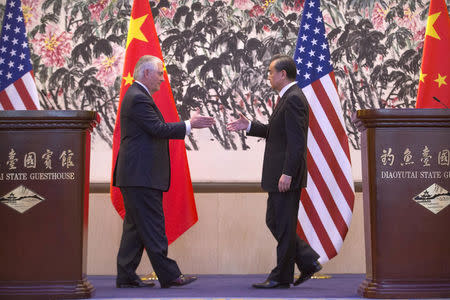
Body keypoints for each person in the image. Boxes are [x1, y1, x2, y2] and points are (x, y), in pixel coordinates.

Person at [113, 55, 214, 288]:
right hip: (140, 176)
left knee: (135, 228)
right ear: (146, 74)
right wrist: (190, 125)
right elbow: (157, 129)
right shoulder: (138, 97)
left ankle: (126, 275)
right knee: (153, 225)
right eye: (159, 73)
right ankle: (170, 276)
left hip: (137, 175)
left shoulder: (137, 95)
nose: (162, 78)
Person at [227, 54, 322, 289]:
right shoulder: (287, 97)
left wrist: (288, 173)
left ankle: (282, 275)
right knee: (276, 221)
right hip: (280, 174)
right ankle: (307, 261)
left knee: (282, 223)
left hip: (285, 176)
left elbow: (297, 142)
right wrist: (249, 126)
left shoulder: (293, 99)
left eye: (271, 72)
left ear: (282, 74)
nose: (268, 76)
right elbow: (277, 133)